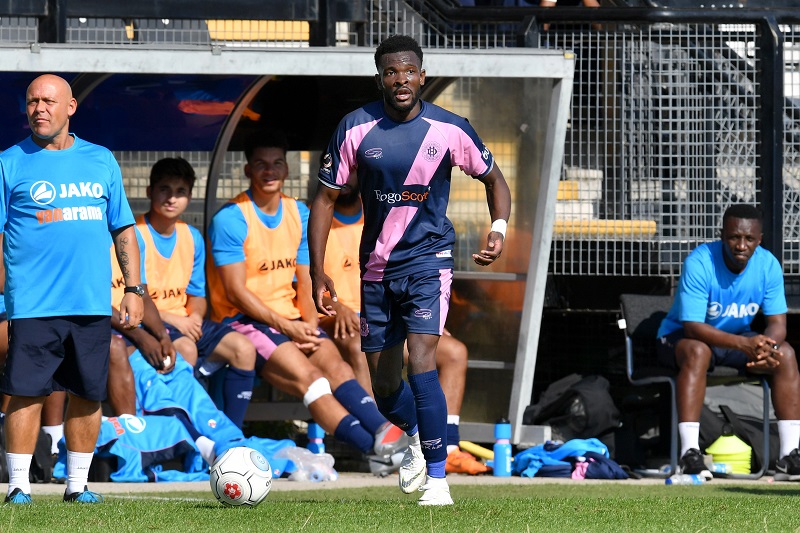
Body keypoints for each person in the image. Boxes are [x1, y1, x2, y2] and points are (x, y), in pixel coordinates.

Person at [309, 34, 511, 505]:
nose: (400, 80)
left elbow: (494, 179)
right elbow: (325, 199)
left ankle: (438, 481)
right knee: (384, 388)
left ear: (422, 76)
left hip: (428, 261)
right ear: (379, 78)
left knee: (421, 359)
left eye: (408, 71)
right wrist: (318, 271)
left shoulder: (450, 128)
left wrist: (498, 229)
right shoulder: (355, 127)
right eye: (391, 72)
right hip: (376, 269)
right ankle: (422, 435)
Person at [206, 129, 406, 465]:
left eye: (276, 163)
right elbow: (235, 293)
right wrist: (288, 327)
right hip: (243, 322)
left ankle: (388, 436)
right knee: (312, 380)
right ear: (248, 170)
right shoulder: (231, 217)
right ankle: (376, 452)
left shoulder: (299, 213)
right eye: (261, 164)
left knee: (337, 367)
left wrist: (309, 324)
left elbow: (306, 280)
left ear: (286, 169)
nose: (269, 171)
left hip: (293, 320)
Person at [0, 74, 144, 504]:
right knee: (26, 392)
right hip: (32, 304)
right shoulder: (9, 162)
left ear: (71, 107)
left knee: (87, 393)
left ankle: (77, 486)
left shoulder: (101, 160)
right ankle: (18, 486)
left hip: (90, 303)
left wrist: (134, 288)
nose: (39, 109)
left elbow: (123, 228)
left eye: (48, 101)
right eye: (32, 102)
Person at [316, 181, 487, 475]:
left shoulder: (384, 214)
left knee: (454, 352)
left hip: (393, 313)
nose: (343, 177)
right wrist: (338, 306)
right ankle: (391, 445)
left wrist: (424, 318)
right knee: (360, 348)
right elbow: (306, 285)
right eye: (336, 169)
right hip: (342, 322)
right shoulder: (316, 222)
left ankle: (448, 448)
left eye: (351, 169)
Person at [657, 204, 800, 479]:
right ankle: (689, 454)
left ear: (760, 240)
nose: (741, 245)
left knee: (786, 354)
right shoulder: (700, 262)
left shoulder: (768, 264)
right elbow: (692, 327)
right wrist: (744, 345)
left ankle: (789, 457)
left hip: (734, 341)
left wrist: (766, 348)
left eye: (749, 239)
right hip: (682, 339)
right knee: (698, 352)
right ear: (722, 235)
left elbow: (778, 324)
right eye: (734, 237)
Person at [135, 157, 256, 428]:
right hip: (148, 324)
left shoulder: (192, 237)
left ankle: (231, 436)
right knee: (186, 349)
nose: (172, 198)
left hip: (184, 323)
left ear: (189, 197)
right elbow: (127, 298)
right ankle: (183, 435)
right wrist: (176, 320)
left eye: (180, 191)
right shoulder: (133, 235)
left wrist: (195, 318)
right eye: (164, 189)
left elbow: (197, 295)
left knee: (244, 349)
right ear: (149, 191)